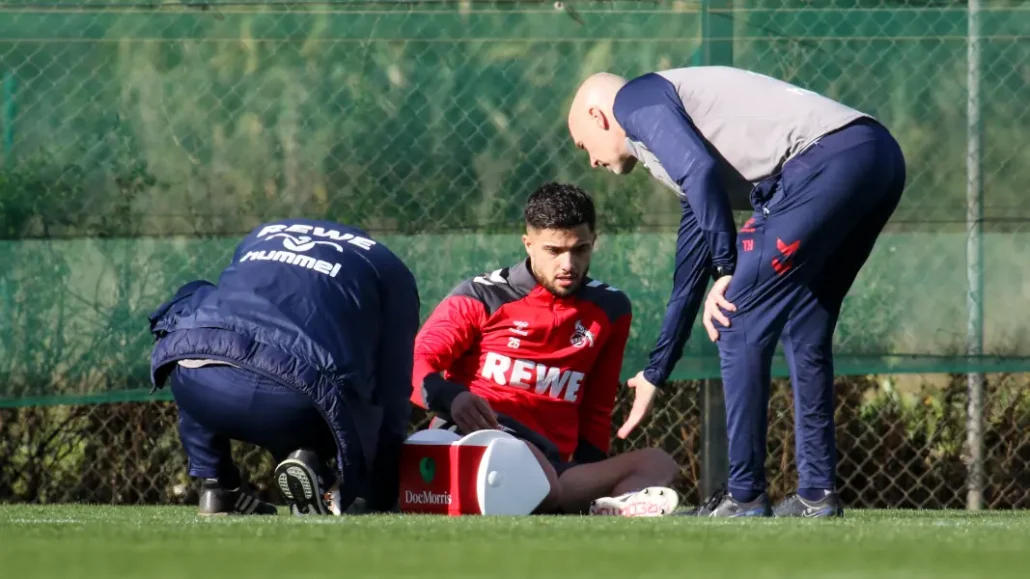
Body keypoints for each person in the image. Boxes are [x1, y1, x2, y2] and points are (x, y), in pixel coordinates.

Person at [567, 66, 906, 517]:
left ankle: (744, 495)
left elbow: (701, 171)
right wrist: (656, 370)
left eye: (582, 144)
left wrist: (728, 270)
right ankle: (816, 494)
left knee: (735, 317)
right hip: (877, 155)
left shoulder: (635, 99)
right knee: (804, 325)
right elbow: (689, 270)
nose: (589, 159)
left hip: (825, 161)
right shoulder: (674, 149)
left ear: (598, 115)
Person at [411, 182, 681, 517]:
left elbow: (595, 408)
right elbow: (416, 364)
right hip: (478, 447)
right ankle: (569, 500)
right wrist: (453, 397)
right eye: (554, 251)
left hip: (551, 468)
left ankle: (611, 511)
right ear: (529, 244)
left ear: (594, 242)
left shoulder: (611, 308)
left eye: (580, 249)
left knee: (657, 463)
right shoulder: (482, 296)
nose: (568, 264)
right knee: (541, 479)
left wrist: (590, 473)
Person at [147, 218, 420, 516]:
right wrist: (379, 488)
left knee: (205, 328)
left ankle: (217, 487)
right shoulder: (389, 269)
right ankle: (314, 465)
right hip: (296, 404)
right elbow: (393, 389)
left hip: (197, 382)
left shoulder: (261, 234)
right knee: (346, 387)